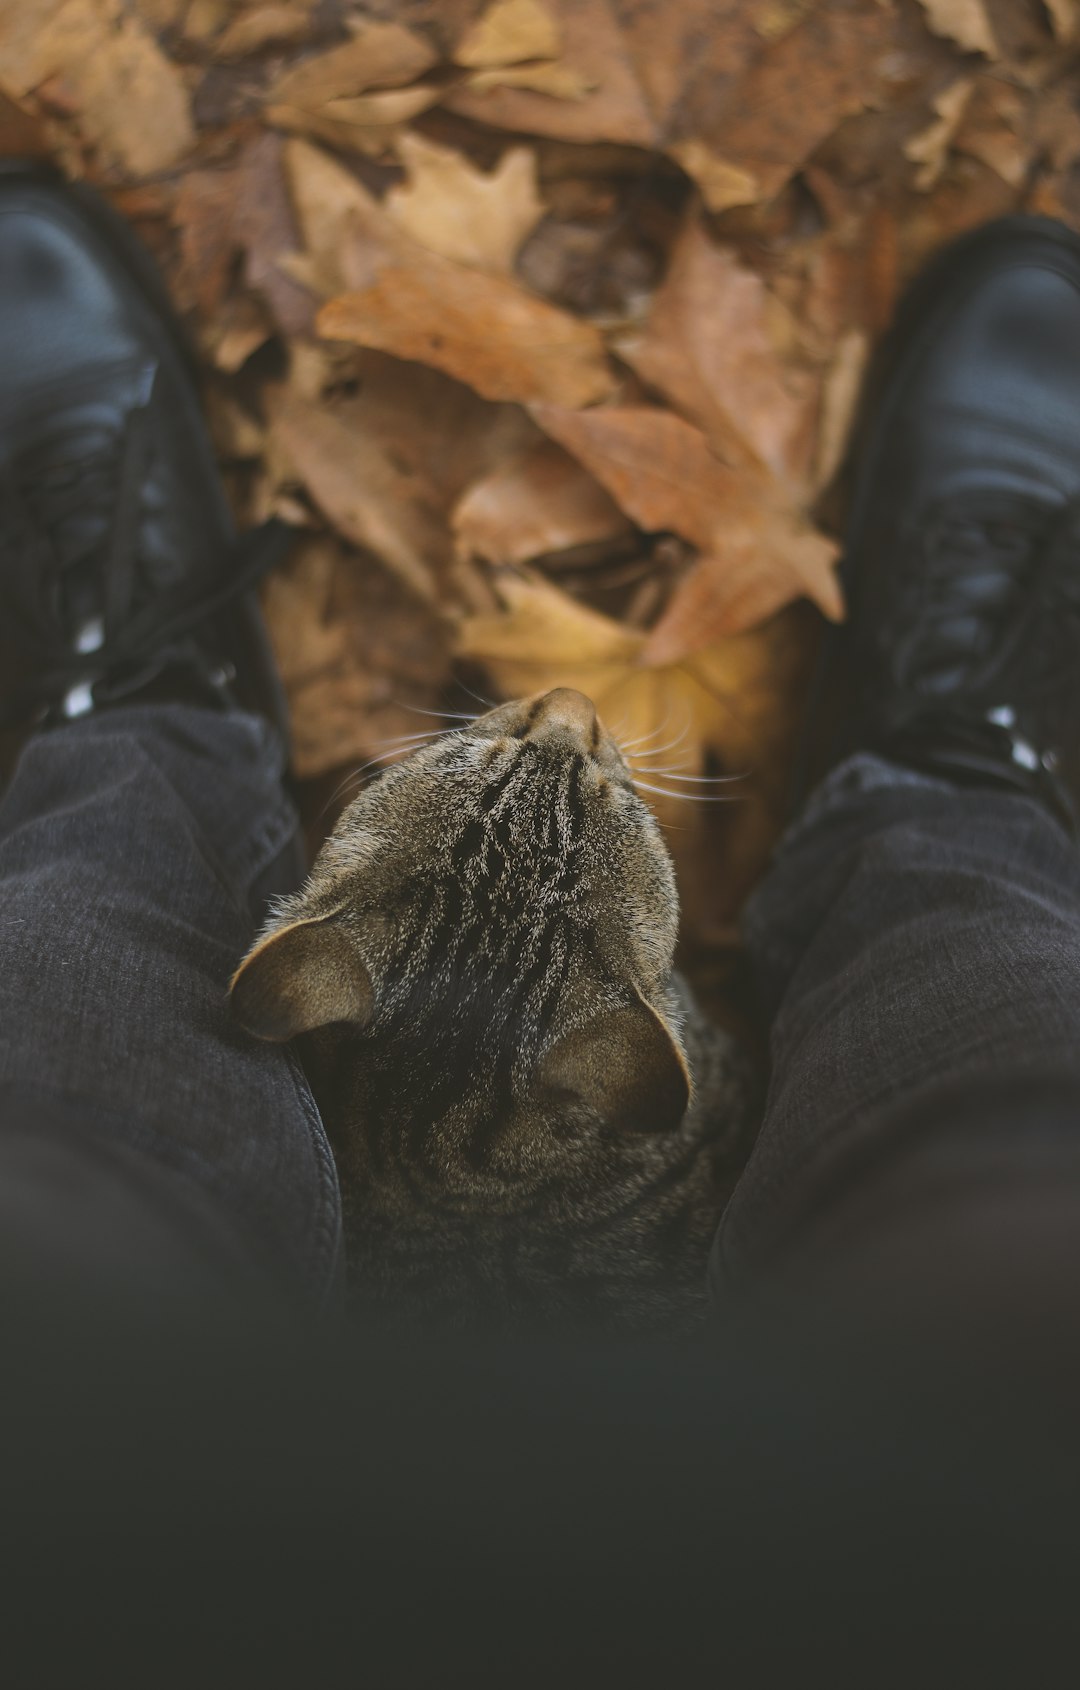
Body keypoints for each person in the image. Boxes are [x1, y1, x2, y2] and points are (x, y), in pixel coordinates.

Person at [4, 163, 1080, 1681]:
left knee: (48, 1077)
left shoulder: (438, 990)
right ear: (639, 1022)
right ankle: (947, 795)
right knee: (1028, 1098)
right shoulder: (609, 1036)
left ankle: (147, 727)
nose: (571, 710)